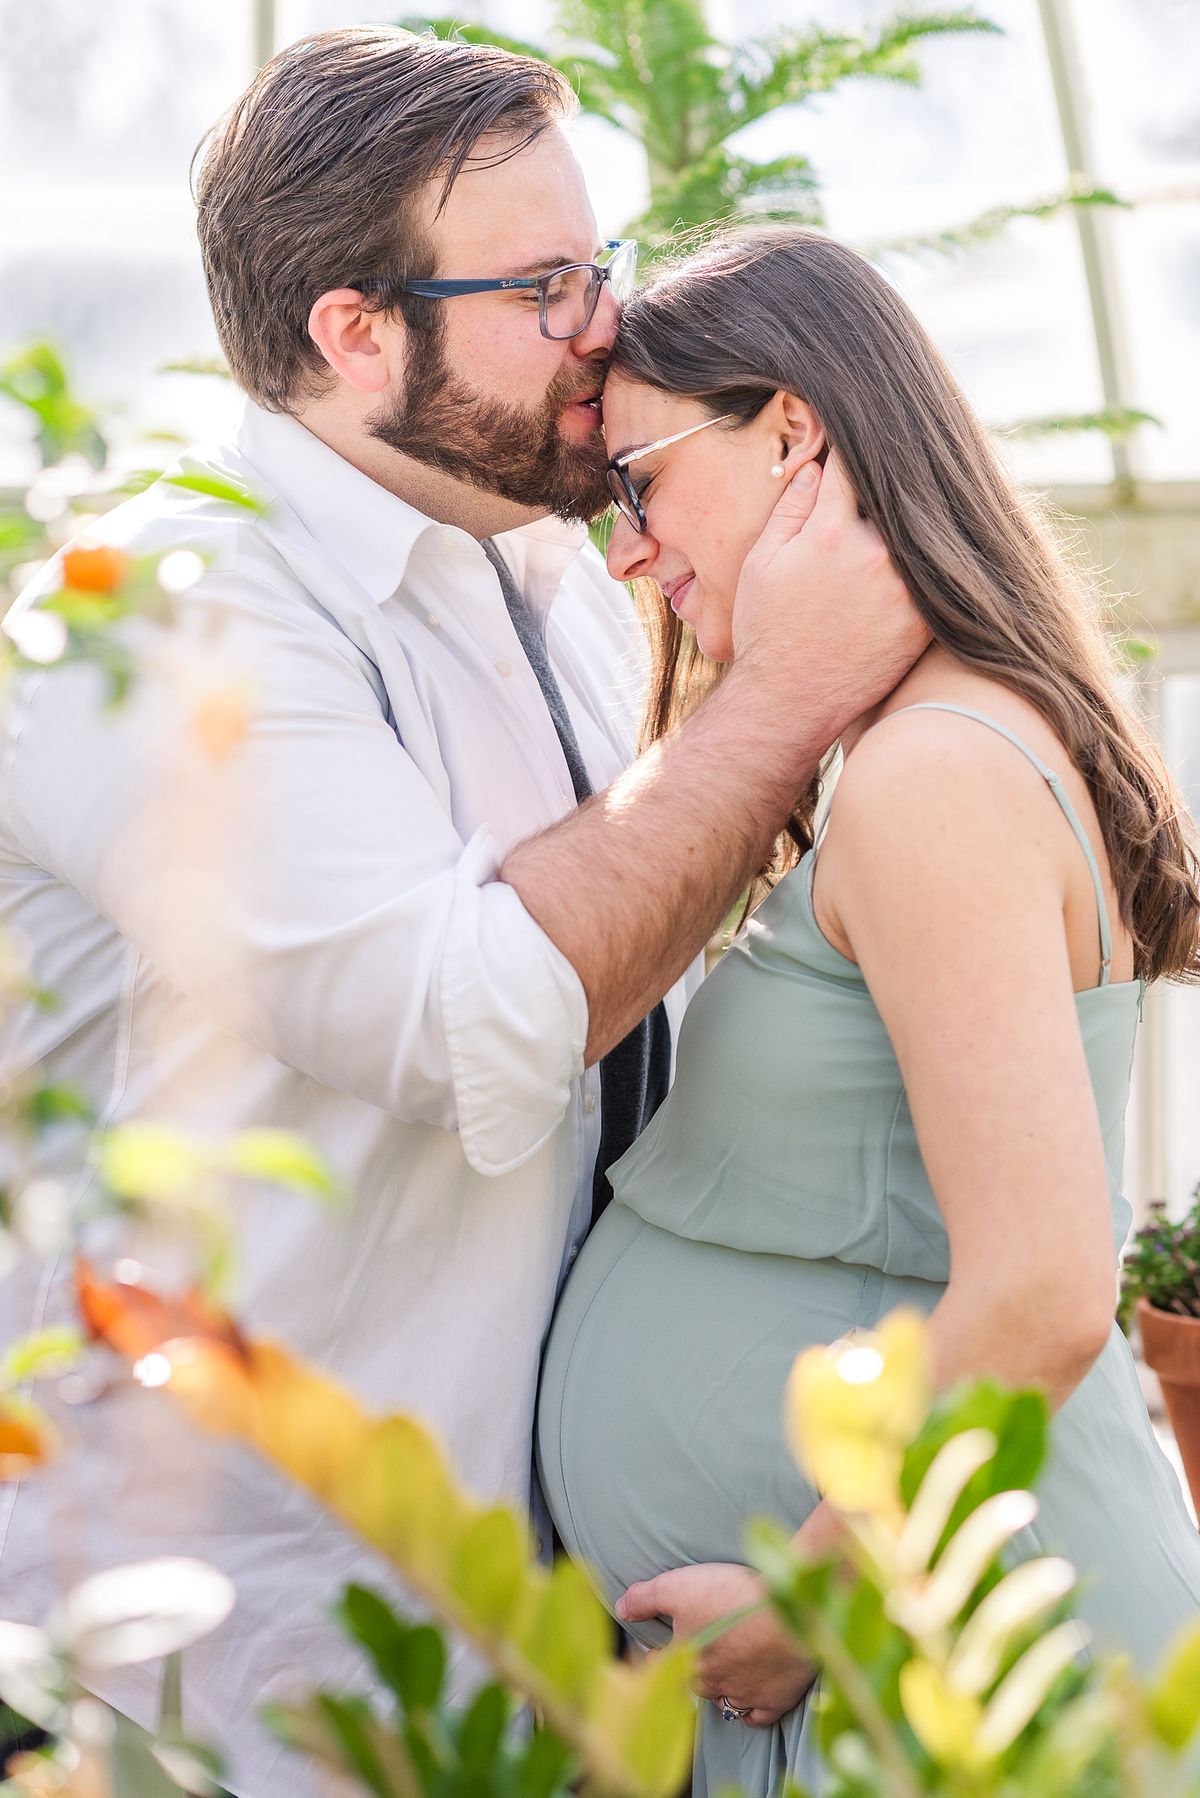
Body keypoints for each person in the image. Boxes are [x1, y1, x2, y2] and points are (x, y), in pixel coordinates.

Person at [0, 31, 921, 1797]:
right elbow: (480, 1019)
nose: (606, 328)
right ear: (354, 332)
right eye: (545, 287)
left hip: (522, 1657)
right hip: (219, 1675)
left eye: (604, 264)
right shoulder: (168, 619)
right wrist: (783, 690)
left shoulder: (545, 566)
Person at [535, 228, 1200, 1796]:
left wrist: (813, 1592)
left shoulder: (934, 778)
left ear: (792, 428)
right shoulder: (913, 746)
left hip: (952, 1661)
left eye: (640, 481)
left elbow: (1042, 1286)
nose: (627, 549)